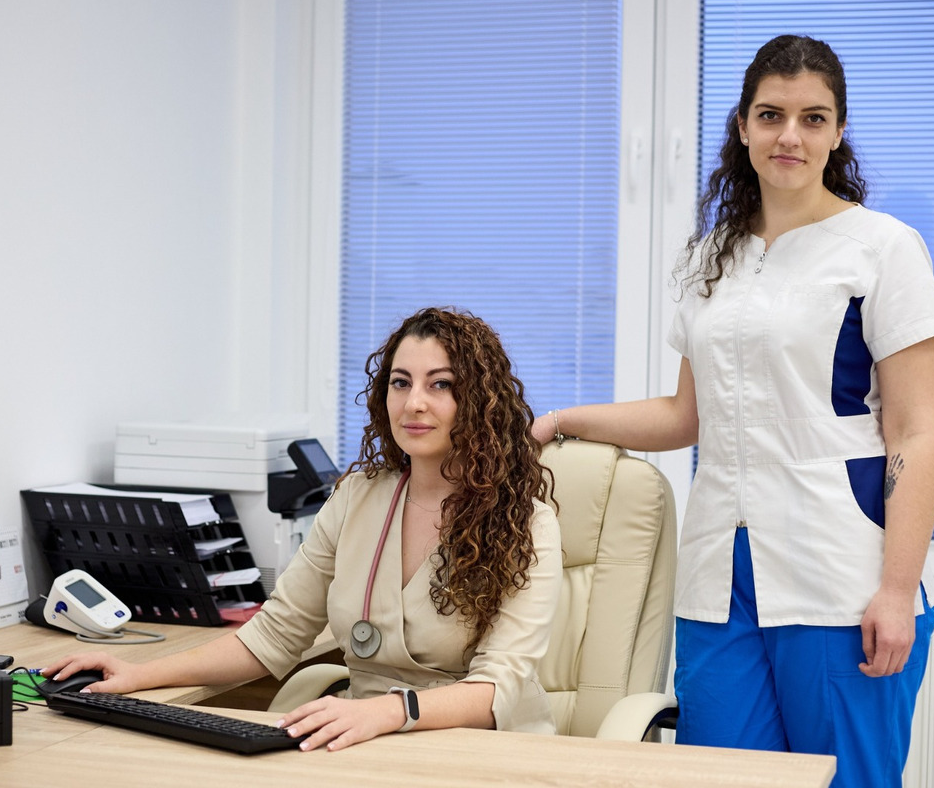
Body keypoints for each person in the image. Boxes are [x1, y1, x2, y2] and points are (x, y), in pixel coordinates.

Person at [534, 35, 934, 788]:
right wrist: (565, 420)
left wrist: (896, 590)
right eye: (771, 114)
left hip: (839, 572)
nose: (790, 135)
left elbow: (917, 433)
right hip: (718, 578)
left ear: (838, 130)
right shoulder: (710, 257)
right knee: (717, 777)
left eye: (813, 118)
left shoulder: (884, 249)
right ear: (743, 125)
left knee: (845, 778)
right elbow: (685, 415)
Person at [46, 307, 563, 752]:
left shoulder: (526, 523)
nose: (414, 403)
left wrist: (386, 712)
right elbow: (274, 635)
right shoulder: (357, 497)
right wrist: (137, 673)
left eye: (441, 384)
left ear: (480, 402)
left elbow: (497, 689)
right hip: (363, 737)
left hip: (484, 748)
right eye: (401, 382)